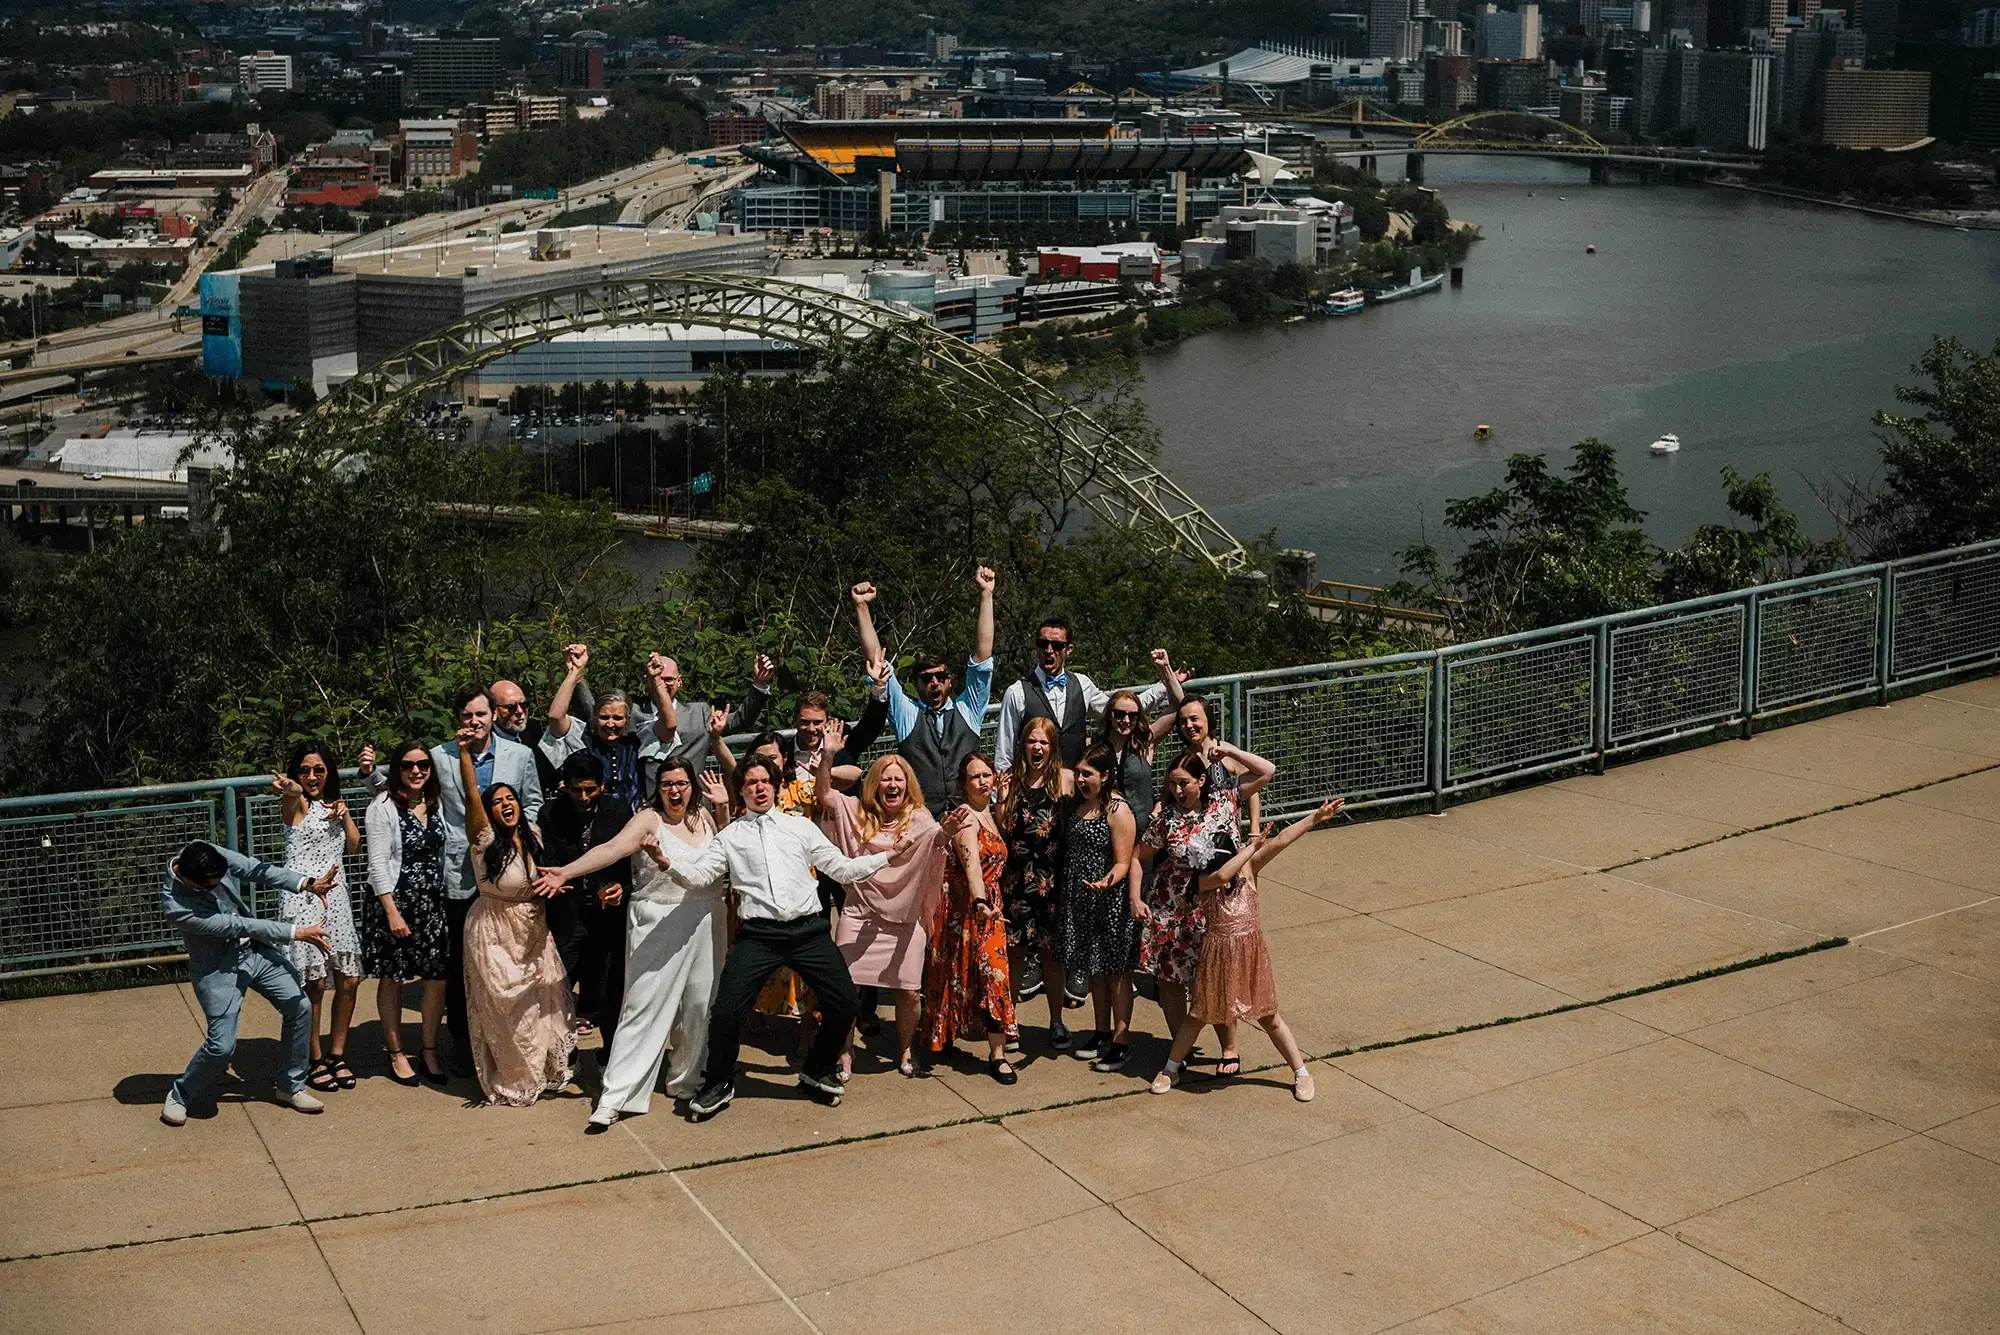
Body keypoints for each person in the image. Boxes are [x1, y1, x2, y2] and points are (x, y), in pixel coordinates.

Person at [563, 754, 893, 1121]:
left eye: (764, 781)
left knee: (845, 1004)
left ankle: (817, 1068)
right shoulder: (730, 836)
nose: (758, 787)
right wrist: (666, 861)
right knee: (724, 1013)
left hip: (808, 931)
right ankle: (718, 1081)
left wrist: (889, 856)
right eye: (750, 783)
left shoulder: (801, 828)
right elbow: (702, 876)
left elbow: (843, 868)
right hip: (759, 935)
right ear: (741, 792)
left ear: (776, 785)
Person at [540, 758, 733, 1132]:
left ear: (692, 785)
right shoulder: (648, 820)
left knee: (699, 1007)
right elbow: (611, 849)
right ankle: (615, 1096)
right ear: (657, 789)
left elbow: (728, 851)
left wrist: (723, 808)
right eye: (666, 785)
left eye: (681, 783)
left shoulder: (707, 817)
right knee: (642, 1009)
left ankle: (685, 1079)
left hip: (707, 918)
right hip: (658, 921)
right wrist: (568, 870)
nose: (675, 791)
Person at [367, 686, 543, 1078]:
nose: (474, 722)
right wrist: (370, 778)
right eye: (467, 716)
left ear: (493, 715)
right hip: (456, 876)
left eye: (481, 714)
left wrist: (516, 844)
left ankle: (514, 1043)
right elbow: (403, 793)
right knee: (462, 965)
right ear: (458, 719)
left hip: (505, 875)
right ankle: (466, 1044)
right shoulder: (438, 756)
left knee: (510, 963)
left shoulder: (521, 755)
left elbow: (532, 803)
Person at [1151, 797, 1347, 1103]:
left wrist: (1315, 818)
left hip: (1250, 955)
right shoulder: (1204, 881)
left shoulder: (1250, 870)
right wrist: (1249, 850)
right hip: (1217, 958)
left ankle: (1302, 1073)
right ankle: (1170, 1069)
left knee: (1269, 1018)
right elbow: (1221, 876)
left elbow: (1282, 839)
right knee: (1197, 1016)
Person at [160, 840, 338, 1126]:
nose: (219, 886)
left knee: (300, 1007)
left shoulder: (205, 852)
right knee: (221, 1047)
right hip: (219, 969)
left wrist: (306, 883)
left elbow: (254, 869)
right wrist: (296, 932)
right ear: (188, 879)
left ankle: (291, 1086)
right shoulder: (177, 906)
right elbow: (238, 925)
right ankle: (181, 1094)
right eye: (211, 886)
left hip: (255, 952)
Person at [814, 722, 955, 1078]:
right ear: (875, 784)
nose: (893, 785)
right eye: (886, 779)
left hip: (905, 919)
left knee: (909, 991)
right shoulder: (856, 814)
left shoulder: (921, 821)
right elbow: (824, 796)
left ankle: (906, 1050)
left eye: (899, 779)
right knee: (845, 989)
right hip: (860, 914)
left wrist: (947, 833)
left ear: (908, 786)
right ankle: (844, 1053)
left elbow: (937, 845)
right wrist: (828, 754)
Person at [1133, 739, 1275, 1079]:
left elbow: (1267, 771)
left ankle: (1229, 1047)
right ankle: (1177, 1048)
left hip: (1215, 907)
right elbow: (1139, 857)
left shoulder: (1224, 803)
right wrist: (1135, 898)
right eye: (1172, 784)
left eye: (1184, 783)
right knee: (1170, 980)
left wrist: (1230, 754)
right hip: (1171, 906)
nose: (1178, 790)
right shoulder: (1165, 820)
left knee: (1215, 979)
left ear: (1201, 781)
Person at [457, 733, 575, 1106]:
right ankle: (514, 1079)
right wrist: (464, 754)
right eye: (498, 802)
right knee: (507, 1008)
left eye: (511, 799)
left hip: (533, 928)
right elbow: (472, 797)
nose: (506, 805)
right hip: (494, 928)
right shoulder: (484, 839)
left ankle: (540, 1072)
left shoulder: (535, 834)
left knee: (541, 1004)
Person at [851, 567, 996, 818]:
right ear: (916, 684)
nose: (935, 683)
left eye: (941, 677)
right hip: (923, 821)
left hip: (970, 816)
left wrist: (986, 595)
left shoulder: (969, 709)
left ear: (950, 680)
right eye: (926, 678)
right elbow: (877, 661)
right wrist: (862, 607)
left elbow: (982, 658)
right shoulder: (908, 714)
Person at [270, 743, 363, 1094]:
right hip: (303, 896)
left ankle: (338, 1053)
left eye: (319, 770)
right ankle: (314, 1057)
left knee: (349, 980)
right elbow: (292, 793)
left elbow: (354, 846)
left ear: (329, 773)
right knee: (313, 986)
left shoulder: (332, 806)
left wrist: (345, 815)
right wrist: (289, 787)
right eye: (305, 770)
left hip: (336, 899)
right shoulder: (297, 805)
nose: (312, 777)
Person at [362, 740, 453, 1087]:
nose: (416, 771)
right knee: (394, 977)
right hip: (394, 903)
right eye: (408, 765)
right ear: (397, 769)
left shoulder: (435, 802)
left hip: (431, 903)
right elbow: (378, 864)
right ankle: (397, 1052)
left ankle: (429, 1049)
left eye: (423, 765)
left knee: (436, 978)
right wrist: (392, 912)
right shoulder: (382, 806)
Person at [922, 752, 1016, 1083]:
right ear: (964, 784)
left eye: (986, 774)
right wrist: (980, 902)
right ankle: (991, 1053)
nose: (982, 781)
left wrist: (1002, 799)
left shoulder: (988, 814)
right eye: (975, 777)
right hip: (971, 907)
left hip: (991, 904)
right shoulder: (965, 818)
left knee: (989, 975)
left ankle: (996, 1051)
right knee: (983, 974)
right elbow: (972, 866)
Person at [538, 751, 633, 1054]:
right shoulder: (550, 813)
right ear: (565, 786)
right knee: (556, 990)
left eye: (590, 789)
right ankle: (563, 1056)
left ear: (603, 786)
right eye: (576, 789)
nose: (583, 796)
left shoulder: (619, 812)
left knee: (609, 992)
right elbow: (549, 863)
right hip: (568, 917)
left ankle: (610, 1056)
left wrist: (622, 887)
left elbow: (633, 867)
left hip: (609, 918)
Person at [993, 625, 1182, 771]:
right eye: (1043, 644)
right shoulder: (1016, 692)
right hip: (1034, 791)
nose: (1049, 650)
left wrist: (1166, 684)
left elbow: (1120, 710)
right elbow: (1004, 753)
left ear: (1069, 649)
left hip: (1076, 788)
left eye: (1057, 645)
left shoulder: (1082, 684)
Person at [1057, 744, 1140, 1072]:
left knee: (1116, 974)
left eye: (1087, 774)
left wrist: (1109, 881)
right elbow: (1058, 775)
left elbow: (1124, 860)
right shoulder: (1082, 802)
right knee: (1094, 970)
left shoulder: (1117, 809)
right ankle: (1101, 1032)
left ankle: (1121, 1041)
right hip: (1082, 901)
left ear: (1106, 776)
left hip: (1111, 903)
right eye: (1078, 773)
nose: (1079, 778)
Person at [998, 715, 1072, 1051]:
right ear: (1022, 745)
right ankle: (1009, 1020)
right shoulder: (1010, 782)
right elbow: (1001, 828)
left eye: (1044, 742)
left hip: (1053, 884)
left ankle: (1056, 1021)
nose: (1037, 747)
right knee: (1015, 954)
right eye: (1031, 741)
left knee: (1051, 956)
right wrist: (1000, 799)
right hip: (1017, 884)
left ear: (1052, 746)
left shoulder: (1065, 781)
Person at [542, 644, 663, 812]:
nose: (610, 724)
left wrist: (656, 681)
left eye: (617, 718)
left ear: (627, 720)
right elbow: (555, 717)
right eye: (604, 717)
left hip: (633, 823)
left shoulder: (637, 743)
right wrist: (574, 673)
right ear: (595, 718)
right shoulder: (583, 742)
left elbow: (669, 725)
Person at [490, 678, 560, 795]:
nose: (520, 711)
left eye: (524, 705)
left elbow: (550, 772)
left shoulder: (533, 730)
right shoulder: (484, 741)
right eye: (511, 707)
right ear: (493, 710)